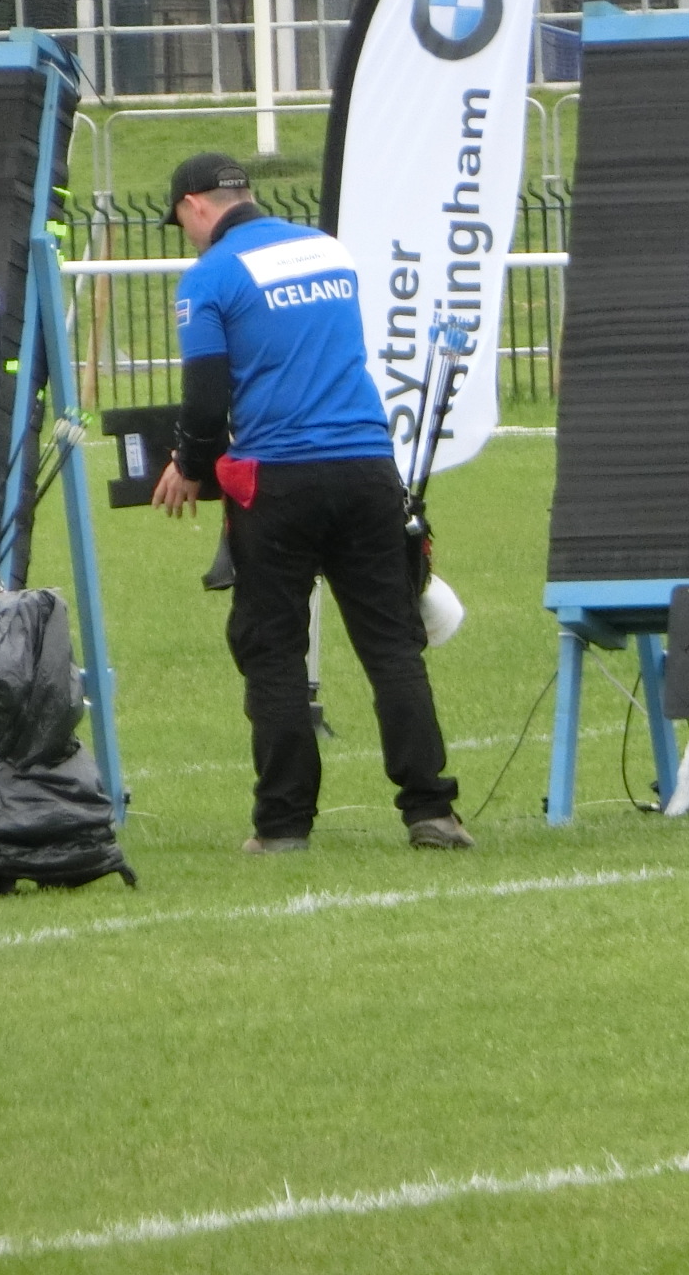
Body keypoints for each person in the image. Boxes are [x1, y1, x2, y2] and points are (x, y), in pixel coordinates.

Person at [149, 152, 473, 852]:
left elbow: (205, 400)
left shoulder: (210, 276)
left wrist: (188, 466)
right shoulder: (328, 251)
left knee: (272, 650)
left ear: (194, 206)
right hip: (366, 468)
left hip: (280, 479)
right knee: (391, 645)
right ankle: (431, 812)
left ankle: (283, 825)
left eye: (182, 223)